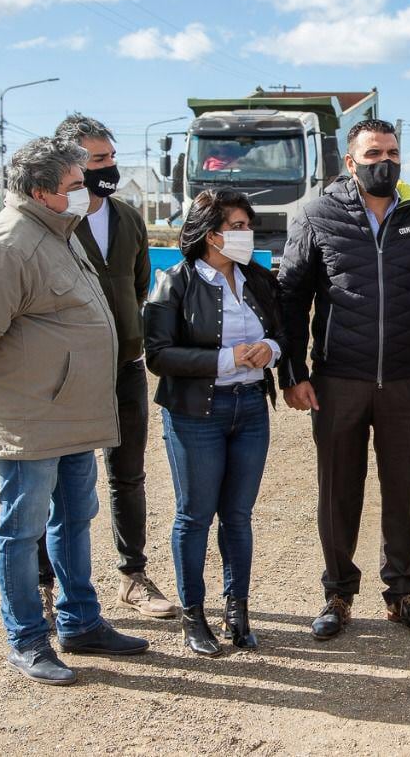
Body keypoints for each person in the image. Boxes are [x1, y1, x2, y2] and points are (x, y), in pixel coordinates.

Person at [0, 137, 149, 686]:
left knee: (74, 517)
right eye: (75, 186)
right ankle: (28, 639)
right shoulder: (10, 243)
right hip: (30, 416)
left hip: (73, 413)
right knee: (22, 527)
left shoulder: (56, 230)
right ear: (40, 192)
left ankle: (80, 622)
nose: (86, 193)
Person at [278, 118, 410, 640]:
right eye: (375, 152)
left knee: (403, 491)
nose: (386, 161)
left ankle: (402, 594)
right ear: (351, 161)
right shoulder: (316, 214)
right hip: (339, 380)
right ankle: (337, 593)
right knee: (338, 491)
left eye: (394, 152)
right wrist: (292, 373)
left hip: (406, 381)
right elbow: (292, 297)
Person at [33, 114, 174, 626]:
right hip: (66, 375)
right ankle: (45, 583)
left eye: (111, 157)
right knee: (55, 482)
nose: (108, 168)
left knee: (128, 475)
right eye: (97, 160)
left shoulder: (128, 218)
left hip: (124, 368)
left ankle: (132, 574)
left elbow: (134, 286)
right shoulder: (51, 223)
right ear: (71, 164)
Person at [144, 189, 285, 656]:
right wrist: (227, 359)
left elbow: (282, 332)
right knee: (195, 515)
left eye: (248, 225)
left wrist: (271, 350)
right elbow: (159, 355)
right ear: (210, 235)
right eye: (238, 227)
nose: (247, 234)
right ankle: (193, 616)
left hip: (250, 409)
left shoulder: (259, 280)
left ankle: (237, 612)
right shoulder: (173, 283)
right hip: (195, 415)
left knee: (238, 516)